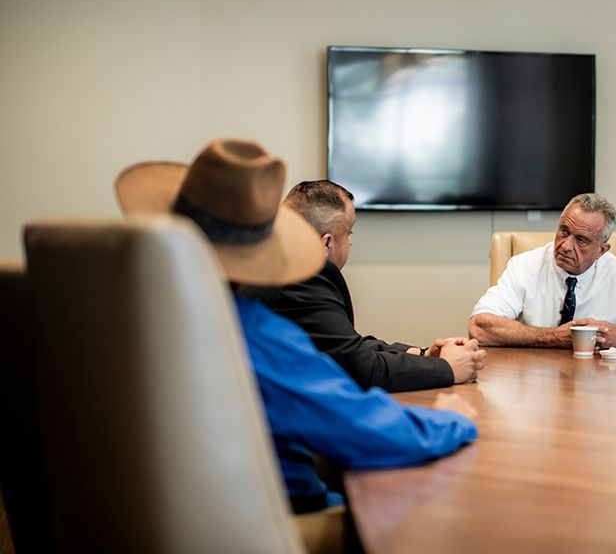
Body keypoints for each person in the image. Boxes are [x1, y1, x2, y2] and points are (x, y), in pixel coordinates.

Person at [114, 139, 478, 513]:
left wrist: (416, 354)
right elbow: (362, 428)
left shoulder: (137, 322)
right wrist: (450, 420)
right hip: (280, 518)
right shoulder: (259, 338)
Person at [240, 180, 486, 392]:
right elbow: (363, 370)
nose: (350, 241)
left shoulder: (266, 261)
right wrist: (448, 368)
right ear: (326, 243)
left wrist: (420, 354)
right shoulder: (303, 277)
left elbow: (343, 344)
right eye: (349, 231)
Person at [469, 193, 616, 348]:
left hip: (603, 387)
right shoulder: (523, 266)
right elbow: (480, 326)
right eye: (564, 231)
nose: (565, 245)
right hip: (535, 383)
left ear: (602, 250)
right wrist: (552, 337)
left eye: (581, 240)